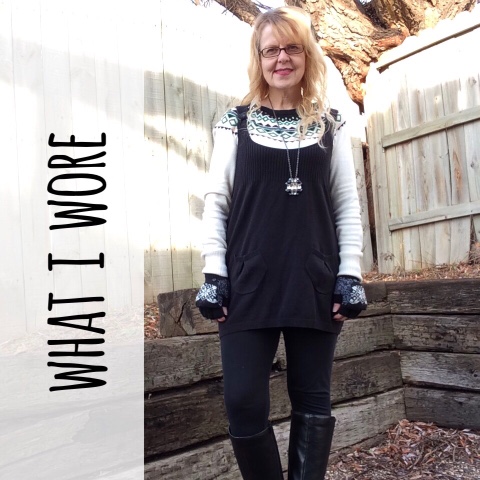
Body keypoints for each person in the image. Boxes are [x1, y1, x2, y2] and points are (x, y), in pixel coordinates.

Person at [195, 6, 367, 480]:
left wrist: (349, 274)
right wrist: (214, 273)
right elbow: (217, 201)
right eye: (271, 50)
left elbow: (345, 203)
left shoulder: (331, 123)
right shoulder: (234, 122)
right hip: (248, 280)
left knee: (312, 397)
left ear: (307, 55)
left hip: (314, 279)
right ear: (259, 59)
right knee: (243, 401)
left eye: (292, 48)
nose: (282, 58)